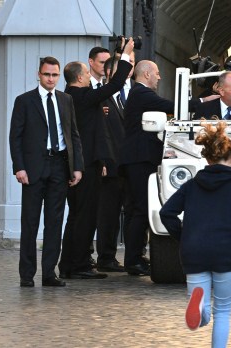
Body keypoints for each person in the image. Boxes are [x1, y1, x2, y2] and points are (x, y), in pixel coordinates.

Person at [159, 120, 231, 345]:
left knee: (204, 313)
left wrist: (183, 237)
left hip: (193, 250)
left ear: (208, 159)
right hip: (225, 250)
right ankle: (204, 312)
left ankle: (200, 307)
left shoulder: (192, 185)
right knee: (223, 310)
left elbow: (167, 213)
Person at [120, 60, 208, 276]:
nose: (159, 77)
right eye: (157, 73)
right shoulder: (141, 93)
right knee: (140, 209)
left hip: (136, 159)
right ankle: (133, 260)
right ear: (147, 74)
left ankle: (135, 256)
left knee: (135, 209)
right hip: (139, 159)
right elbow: (172, 107)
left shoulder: (137, 94)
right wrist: (203, 100)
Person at [58, 39, 135, 280]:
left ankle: (69, 263)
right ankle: (79, 264)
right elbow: (113, 85)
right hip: (84, 164)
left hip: (87, 162)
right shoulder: (79, 95)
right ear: (80, 77)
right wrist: (124, 57)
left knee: (78, 215)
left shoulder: (76, 96)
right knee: (85, 215)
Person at [9, 56, 84, 287]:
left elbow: (73, 135)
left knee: (55, 222)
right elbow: (16, 137)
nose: (51, 78)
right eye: (47, 74)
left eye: (54, 75)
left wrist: (77, 167)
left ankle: (50, 273)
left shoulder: (66, 99)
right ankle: (27, 275)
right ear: (38, 74)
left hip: (59, 167)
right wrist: (19, 167)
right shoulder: (24, 101)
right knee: (30, 223)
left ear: (59, 76)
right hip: (32, 169)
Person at [94, 56, 131, 273]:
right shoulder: (101, 99)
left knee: (123, 213)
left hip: (125, 166)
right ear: (110, 74)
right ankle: (105, 257)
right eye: (120, 72)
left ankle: (121, 255)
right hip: (109, 166)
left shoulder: (125, 98)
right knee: (107, 214)